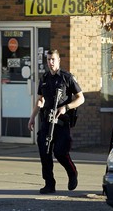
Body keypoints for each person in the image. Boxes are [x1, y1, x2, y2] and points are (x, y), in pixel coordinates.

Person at [28, 49, 85, 194]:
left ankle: (72, 173)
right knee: (44, 152)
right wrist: (32, 117)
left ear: (59, 60)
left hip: (61, 121)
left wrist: (66, 107)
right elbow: (40, 99)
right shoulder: (45, 78)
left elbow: (81, 98)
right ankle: (49, 183)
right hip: (47, 120)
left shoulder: (67, 77)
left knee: (60, 152)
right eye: (48, 60)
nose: (50, 62)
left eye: (53, 59)